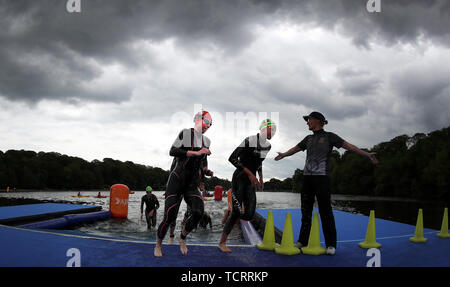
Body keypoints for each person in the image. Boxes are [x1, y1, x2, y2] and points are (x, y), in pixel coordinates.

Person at [275, 111, 378, 255]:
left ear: (318, 121)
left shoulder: (330, 137)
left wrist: (367, 154)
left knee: (326, 211)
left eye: (309, 119)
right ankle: (302, 241)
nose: (307, 122)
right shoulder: (308, 139)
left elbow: (349, 146)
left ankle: (331, 244)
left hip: (322, 178)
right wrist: (284, 154)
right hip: (307, 178)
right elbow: (295, 149)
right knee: (306, 211)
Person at [154, 110, 214, 257]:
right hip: (177, 178)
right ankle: (158, 244)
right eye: (206, 122)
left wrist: (206, 171)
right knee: (169, 216)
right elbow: (173, 151)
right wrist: (195, 153)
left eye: (210, 124)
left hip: (192, 182)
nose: (208, 125)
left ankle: (182, 237)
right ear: (197, 120)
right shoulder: (186, 133)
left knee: (198, 212)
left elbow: (203, 161)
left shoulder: (207, 141)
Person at [218, 119, 276, 253]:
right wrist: (250, 173)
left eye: (274, 130)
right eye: (271, 129)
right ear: (263, 129)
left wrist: (261, 178)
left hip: (251, 180)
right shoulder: (249, 140)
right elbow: (232, 158)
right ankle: (222, 242)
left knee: (249, 214)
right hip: (239, 178)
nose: (273, 132)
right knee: (237, 212)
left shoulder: (267, 146)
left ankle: (230, 212)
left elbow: (259, 162)